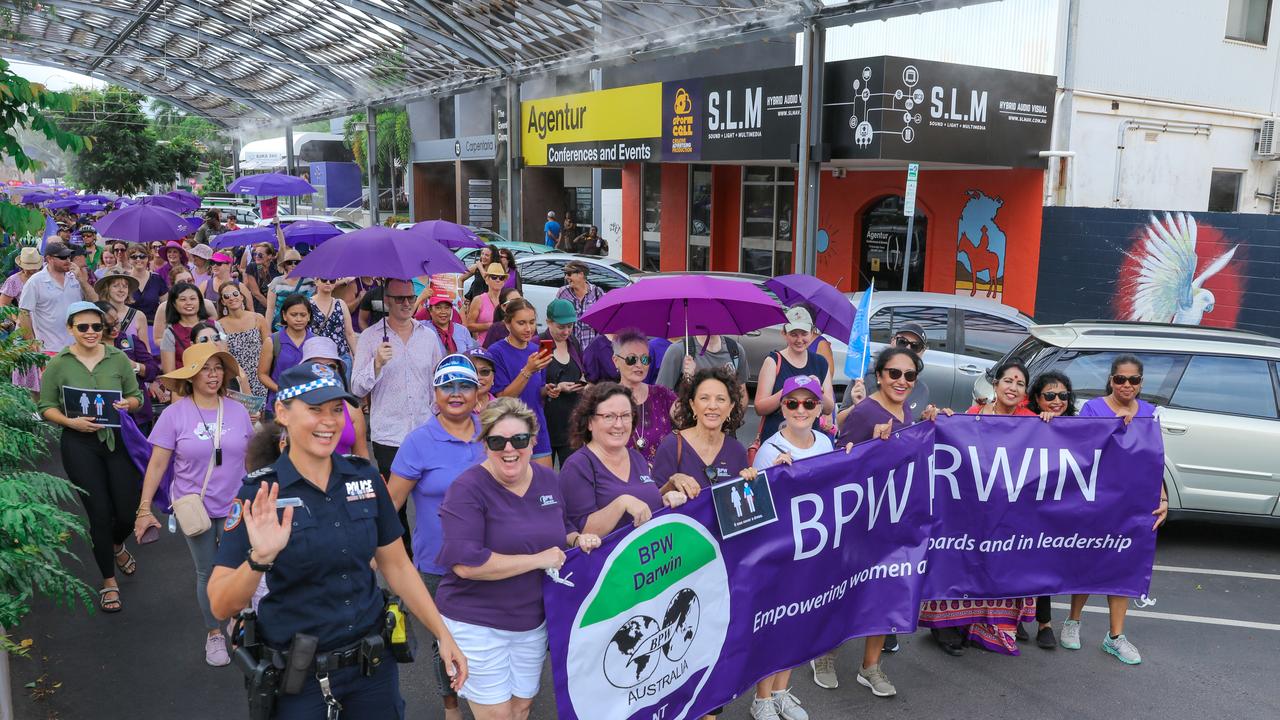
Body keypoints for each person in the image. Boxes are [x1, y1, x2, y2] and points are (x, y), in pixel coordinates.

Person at [207, 363, 468, 717]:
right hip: (298, 678)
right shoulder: (260, 493)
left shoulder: (364, 479)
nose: (329, 421)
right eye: (314, 409)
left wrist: (442, 633)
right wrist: (260, 559)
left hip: (371, 669)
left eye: (336, 409)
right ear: (282, 412)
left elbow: (396, 564)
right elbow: (221, 605)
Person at [434, 397, 601, 718]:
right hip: (477, 621)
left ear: (533, 441)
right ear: (485, 444)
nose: (509, 449)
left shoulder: (548, 479)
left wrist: (577, 538)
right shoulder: (466, 489)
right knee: (497, 715)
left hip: (531, 620)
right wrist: (538, 559)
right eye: (498, 441)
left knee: (521, 707)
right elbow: (466, 564)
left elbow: (561, 526)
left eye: (519, 439)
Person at [818, 346, 946, 696]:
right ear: (879, 375)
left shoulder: (908, 410)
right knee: (848, 590)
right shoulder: (864, 412)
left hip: (897, 519)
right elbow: (840, 463)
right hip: (860, 520)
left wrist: (934, 423)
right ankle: (824, 654)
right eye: (894, 374)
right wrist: (870, 446)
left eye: (909, 376)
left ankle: (871, 666)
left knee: (886, 591)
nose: (901, 381)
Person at [135, 343, 252, 665]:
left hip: (235, 506)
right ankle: (214, 633)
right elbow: (156, 465)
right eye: (205, 368)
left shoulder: (239, 410)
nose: (213, 375)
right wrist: (144, 508)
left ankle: (239, 621)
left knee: (239, 567)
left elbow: (251, 458)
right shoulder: (175, 414)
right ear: (190, 375)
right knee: (207, 571)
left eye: (217, 368)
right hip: (195, 506)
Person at [386, 354, 486, 720]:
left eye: (464, 385)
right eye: (447, 386)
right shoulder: (418, 441)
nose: (456, 393)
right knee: (444, 640)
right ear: (436, 392)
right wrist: (377, 553)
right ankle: (452, 708)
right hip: (436, 563)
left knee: (488, 635)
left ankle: (487, 701)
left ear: (478, 391)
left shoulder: (491, 433)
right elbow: (392, 502)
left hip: (491, 559)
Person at [919, 360, 1036, 657]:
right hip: (970, 506)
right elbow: (951, 443)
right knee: (960, 562)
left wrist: (1051, 419)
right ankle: (944, 627)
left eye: (1020, 383)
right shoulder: (973, 414)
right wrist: (940, 418)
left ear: (1025, 392)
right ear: (996, 385)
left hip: (1008, 511)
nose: (1013, 387)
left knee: (994, 567)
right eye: (1008, 381)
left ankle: (980, 626)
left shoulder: (1032, 422)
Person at [38, 301, 143, 614]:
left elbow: (136, 396)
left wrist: (129, 404)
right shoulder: (59, 363)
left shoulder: (118, 358)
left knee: (126, 512)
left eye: (96, 326)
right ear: (70, 329)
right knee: (98, 512)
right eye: (82, 327)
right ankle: (109, 580)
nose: (90, 332)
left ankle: (116, 544)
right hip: (79, 444)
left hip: (117, 441)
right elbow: (46, 406)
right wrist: (71, 422)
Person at [1064, 354, 1167, 664]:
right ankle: (1073, 621)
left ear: (1141, 383)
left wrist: (1162, 498)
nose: (1126, 385)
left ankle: (1116, 636)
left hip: (1133, 504)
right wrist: (1109, 429)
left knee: (1123, 566)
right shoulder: (1094, 408)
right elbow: (1077, 449)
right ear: (1111, 380)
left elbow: (1155, 460)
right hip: (1095, 501)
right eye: (1120, 379)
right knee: (1088, 561)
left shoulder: (1149, 414)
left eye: (1133, 380)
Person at [747, 374, 828, 720]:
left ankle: (781, 691)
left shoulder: (825, 444)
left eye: (808, 403)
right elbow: (753, 502)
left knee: (800, 622)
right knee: (775, 625)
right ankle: (761, 698)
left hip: (813, 550)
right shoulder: (768, 450)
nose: (800, 409)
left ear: (818, 408)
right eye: (793, 403)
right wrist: (773, 480)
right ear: (782, 408)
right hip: (779, 551)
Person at [352, 277, 443, 550]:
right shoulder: (370, 338)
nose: (406, 303)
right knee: (395, 509)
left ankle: (432, 561)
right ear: (387, 301)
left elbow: (438, 383)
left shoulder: (428, 336)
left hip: (425, 432)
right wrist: (376, 364)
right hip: (389, 436)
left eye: (410, 298)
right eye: (399, 298)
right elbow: (356, 387)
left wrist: (436, 415)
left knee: (432, 502)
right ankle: (402, 571)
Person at [560, 382, 687, 536]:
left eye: (625, 416)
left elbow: (645, 504)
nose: (619, 425)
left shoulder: (636, 457)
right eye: (609, 416)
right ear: (589, 422)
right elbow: (579, 531)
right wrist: (621, 504)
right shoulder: (577, 466)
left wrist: (665, 499)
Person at [1013, 370, 1080, 650]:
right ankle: (1016, 619)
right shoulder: (1029, 424)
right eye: (1049, 395)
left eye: (1062, 395)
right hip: (1027, 504)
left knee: (1047, 564)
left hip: (1059, 508)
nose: (1056, 401)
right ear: (1037, 399)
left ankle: (1045, 623)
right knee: (1020, 562)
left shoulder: (1079, 426)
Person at [488, 298, 555, 466]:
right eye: (521, 323)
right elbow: (503, 398)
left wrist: (547, 390)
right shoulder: (496, 352)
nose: (528, 328)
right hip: (510, 431)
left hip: (537, 426)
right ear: (507, 323)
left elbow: (536, 390)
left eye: (532, 322)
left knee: (543, 484)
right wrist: (528, 370)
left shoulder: (536, 350)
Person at [754, 307, 834, 442]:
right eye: (794, 334)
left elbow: (828, 408)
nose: (799, 339)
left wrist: (817, 390)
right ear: (784, 334)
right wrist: (789, 389)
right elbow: (759, 407)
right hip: (777, 442)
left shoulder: (820, 363)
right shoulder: (773, 361)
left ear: (812, 333)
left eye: (804, 333)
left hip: (809, 442)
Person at [841, 322, 931, 419]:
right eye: (902, 342)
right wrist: (858, 407)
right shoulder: (865, 378)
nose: (908, 349)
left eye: (915, 346)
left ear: (923, 351)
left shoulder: (922, 390)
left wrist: (929, 418)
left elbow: (914, 427)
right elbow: (840, 422)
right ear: (892, 342)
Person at [18, 241, 95, 353]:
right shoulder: (35, 282)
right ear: (49, 259)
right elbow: (23, 312)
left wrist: (82, 280)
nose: (68, 260)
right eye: (63, 257)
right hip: (49, 349)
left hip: (78, 347)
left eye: (69, 256)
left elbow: (94, 301)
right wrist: (30, 342)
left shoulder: (75, 277)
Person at [299, 336, 369, 459]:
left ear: (338, 370)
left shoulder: (352, 409)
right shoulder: (294, 407)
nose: (324, 372)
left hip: (345, 476)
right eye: (316, 366)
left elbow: (362, 458)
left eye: (330, 366)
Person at [612, 330, 676, 463]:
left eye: (645, 359)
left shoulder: (662, 395)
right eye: (631, 359)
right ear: (616, 361)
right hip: (622, 479)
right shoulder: (606, 399)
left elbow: (689, 420)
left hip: (663, 478)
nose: (639, 365)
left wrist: (689, 379)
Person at [96, 300, 161, 430]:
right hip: (105, 415)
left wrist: (134, 366)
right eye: (107, 326)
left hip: (137, 415)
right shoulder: (91, 348)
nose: (114, 329)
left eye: (116, 323)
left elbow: (153, 370)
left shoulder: (130, 341)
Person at [541, 299, 588, 466]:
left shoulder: (573, 343)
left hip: (571, 421)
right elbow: (535, 382)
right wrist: (556, 387)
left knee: (572, 473)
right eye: (561, 327)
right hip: (548, 421)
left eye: (570, 326)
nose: (566, 331)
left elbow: (581, 371)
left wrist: (582, 383)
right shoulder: (542, 344)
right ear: (548, 323)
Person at [217, 279, 271, 400]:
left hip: (260, 376)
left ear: (242, 297)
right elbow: (224, 355)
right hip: (236, 378)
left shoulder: (258, 318)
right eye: (226, 296)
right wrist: (240, 377)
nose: (232, 298)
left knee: (260, 415)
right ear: (223, 302)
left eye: (235, 294)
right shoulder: (219, 325)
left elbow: (269, 348)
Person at [655, 333, 749, 402]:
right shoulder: (679, 350)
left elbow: (742, 393)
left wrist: (731, 421)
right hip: (687, 426)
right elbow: (661, 396)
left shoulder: (735, 350)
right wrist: (688, 378)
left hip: (725, 427)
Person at [2, 247, 44, 393]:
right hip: (24, 327)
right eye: (28, 267)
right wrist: (16, 318)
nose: (31, 270)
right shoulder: (14, 280)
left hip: (43, 323)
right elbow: (3, 305)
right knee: (25, 363)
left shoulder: (44, 277)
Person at [260, 293, 313, 408]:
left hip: (309, 404)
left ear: (309, 316)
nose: (298, 319)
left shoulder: (316, 342)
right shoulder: (273, 341)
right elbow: (262, 374)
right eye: (294, 315)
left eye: (303, 315)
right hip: (278, 404)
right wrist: (281, 390)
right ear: (284, 316)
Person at [159, 281, 222, 373]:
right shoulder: (170, 333)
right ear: (173, 304)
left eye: (193, 299)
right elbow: (169, 372)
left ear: (200, 301)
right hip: (185, 383)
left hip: (215, 379)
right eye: (183, 299)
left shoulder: (215, 325)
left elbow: (225, 355)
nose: (189, 303)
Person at [307, 277, 358, 373]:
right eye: (323, 279)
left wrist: (356, 356)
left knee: (342, 388)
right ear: (316, 281)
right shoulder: (308, 304)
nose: (328, 282)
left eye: (332, 280)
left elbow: (349, 333)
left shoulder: (340, 304)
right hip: (317, 358)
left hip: (341, 357)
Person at [94, 267, 149, 351]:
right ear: (107, 289)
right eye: (115, 286)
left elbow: (146, 351)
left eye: (125, 286)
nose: (121, 290)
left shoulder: (139, 316)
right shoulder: (98, 313)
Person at [554, 260, 604, 349]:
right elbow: (555, 318)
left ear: (581, 274)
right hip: (570, 349)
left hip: (591, 349)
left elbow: (604, 321)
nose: (566, 277)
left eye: (569, 274)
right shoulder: (563, 292)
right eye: (565, 274)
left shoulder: (597, 292)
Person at [264, 248, 310, 331]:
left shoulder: (309, 282)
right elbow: (270, 309)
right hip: (279, 327)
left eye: (296, 262)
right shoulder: (276, 282)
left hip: (302, 327)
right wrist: (267, 330)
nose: (293, 265)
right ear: (285, 265)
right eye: (289, 262)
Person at [124, 243, 167, 326]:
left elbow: (165, 306)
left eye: (142, 256)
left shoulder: (157, 279)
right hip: (129, 325)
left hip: (153, 325)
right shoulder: (123, 280)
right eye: (134, 257)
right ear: (129, 260)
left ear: (148, 258)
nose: (138, 259)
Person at [465, 262, 506, 341]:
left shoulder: (507, 299)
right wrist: (491, 326)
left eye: (501, 278)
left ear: (504, 282)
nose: (498, 280)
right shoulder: (479, 300)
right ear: (487, 280)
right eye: (494, 277)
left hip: (504, 346)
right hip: (484, 346)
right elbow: (469, 326)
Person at [243, 242, 279, 315]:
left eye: (260, 254)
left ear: (269, 256)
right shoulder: (252, 267)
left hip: (277, 303)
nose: (256, 256)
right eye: (255, 254)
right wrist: (272, 310)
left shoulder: (276, 267)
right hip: (259, 305)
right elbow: (256, 293)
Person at [466, 346, 497, 414]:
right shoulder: (450, 409)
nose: (477, 377)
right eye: (471, 371)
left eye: (484, 371)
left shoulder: (502, 409)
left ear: (493, 377)